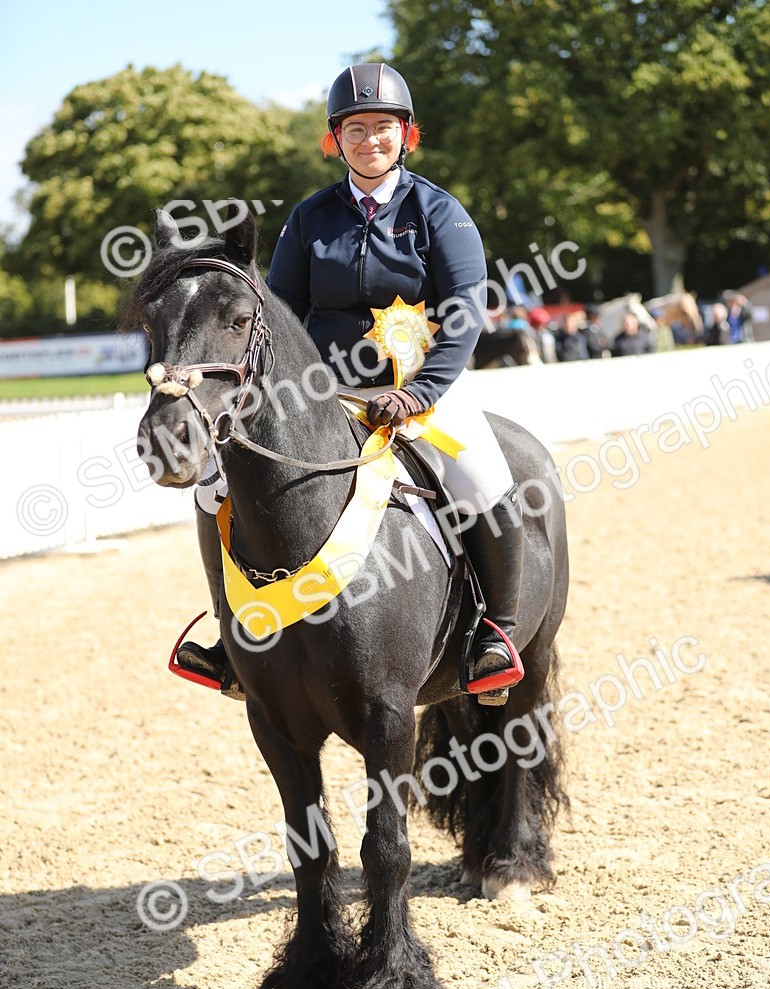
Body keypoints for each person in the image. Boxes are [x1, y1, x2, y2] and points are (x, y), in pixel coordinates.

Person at [178, 63, 526, 704]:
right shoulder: (310, 218)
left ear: (407, 135)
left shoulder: (440, 214)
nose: (371, 139)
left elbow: (464, 317)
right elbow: (276, 315)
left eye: (384, 127)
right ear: (335, 139)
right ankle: (232, 638)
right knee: (213, 484)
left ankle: (494, 636)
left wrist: (420, 393)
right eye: (356, 128)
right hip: (325, 396)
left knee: (484, 476)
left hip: (422, 389)